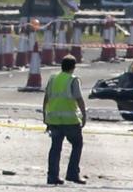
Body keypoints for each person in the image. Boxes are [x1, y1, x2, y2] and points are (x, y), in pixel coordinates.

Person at [43, 54, 87, 185]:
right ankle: (72, 173)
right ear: (73, 67)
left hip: (54, 119)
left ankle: (52, 176)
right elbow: (79, 99)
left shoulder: (53, 79)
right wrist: (84, 115)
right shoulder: (73, 80)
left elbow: (46, 98)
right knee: (77, 144)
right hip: (70, 120)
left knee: (55, 148)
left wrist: (45, 117)